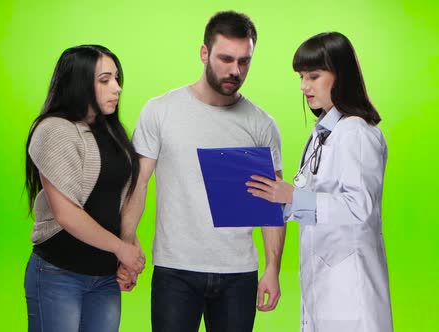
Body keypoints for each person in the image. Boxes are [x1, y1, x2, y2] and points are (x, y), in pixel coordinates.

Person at [117, 11, 285, 332]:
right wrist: (126, 242)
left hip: (239, 272)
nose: (235, 70)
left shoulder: (262, 125)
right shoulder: (161, 111)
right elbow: (138, 184)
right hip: (175, 269)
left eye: (244, 61)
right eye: (226, 59)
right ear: (204, 53)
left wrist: (272, 268)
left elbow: (271, 203)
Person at [246, 32, 393, 331]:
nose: (304, 87)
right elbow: (312, 204)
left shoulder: (356, 133)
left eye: (313, 76)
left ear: (342, 76)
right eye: (301, 77)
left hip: (351, 294)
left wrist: (291, 198)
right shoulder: (322, 133)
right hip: (322, 287)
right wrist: (270, 200)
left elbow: (359, 209)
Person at [23, 44, 145, 332]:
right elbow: (66, 214)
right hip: (58, 274)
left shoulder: (113, 134)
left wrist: (129, 243)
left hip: (104, 278)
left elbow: (109, 201)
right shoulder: (54, 130)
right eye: (104, 80)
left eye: (117, 79)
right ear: (78, 83)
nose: (116, 88)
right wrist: (120, 248)